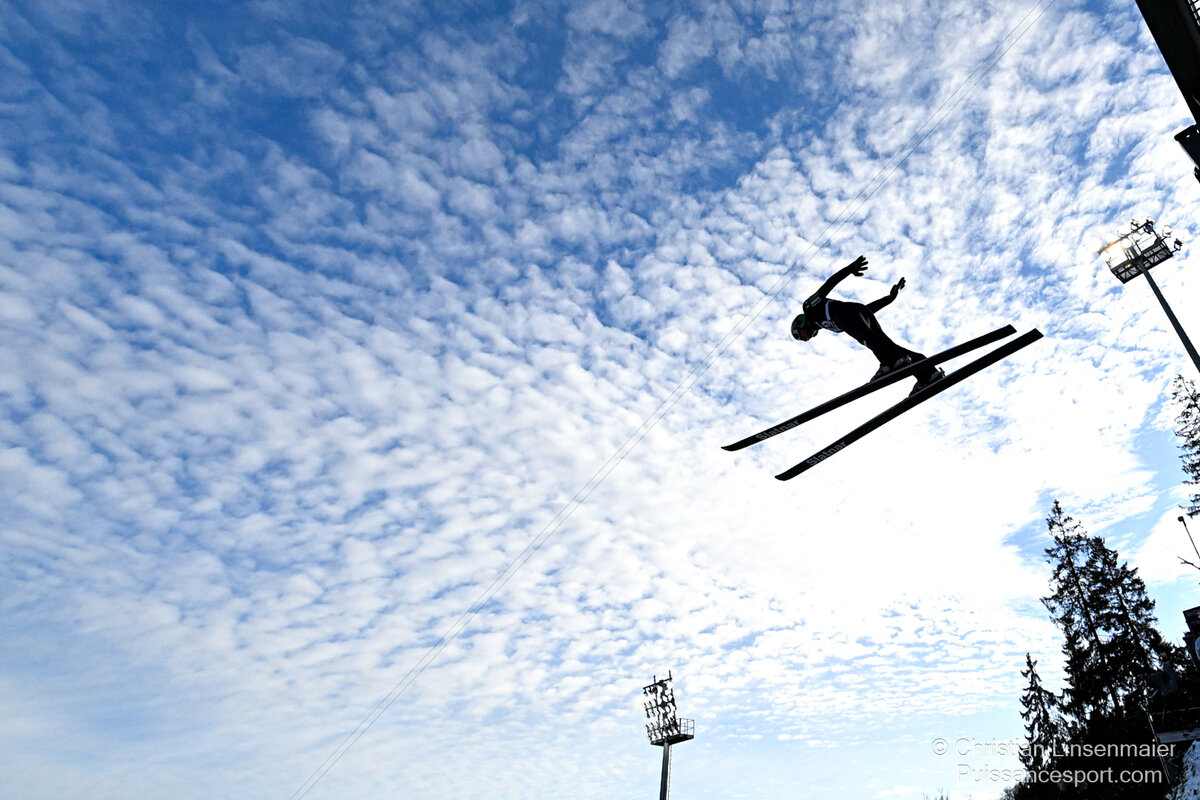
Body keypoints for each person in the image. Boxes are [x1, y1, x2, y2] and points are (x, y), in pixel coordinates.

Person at [790, 255, 944, 393]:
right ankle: (928, 374)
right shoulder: (827, 325)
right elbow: (865, 311)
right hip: (861, 312)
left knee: (870, 339)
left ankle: (890, 363)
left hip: (848, 312)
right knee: (889, 345)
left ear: (801, 322)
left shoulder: (809, 307)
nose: (806, 338)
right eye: (804, 339)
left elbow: (828, 285)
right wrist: (889, 299)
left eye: (801, 335)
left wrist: (850, 268)